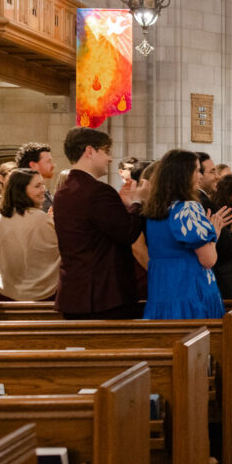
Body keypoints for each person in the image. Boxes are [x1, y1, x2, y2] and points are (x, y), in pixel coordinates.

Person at [52, 127, 147, 320]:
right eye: (107, 151)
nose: (110, 158)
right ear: (90, 151)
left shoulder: (63, 191)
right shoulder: (98, 192)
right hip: (103, 296)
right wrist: (137, 203)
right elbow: (127, 233)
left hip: (75, 294)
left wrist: (126, 207)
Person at [142, 149, 230, 319]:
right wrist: (215, 233)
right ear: (184, 175)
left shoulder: (154, 210)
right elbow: (208, 260)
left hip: (161, 290)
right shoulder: (187, 209)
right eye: (197, 171)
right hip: (189, 289)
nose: (200, 176)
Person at [0, 169, 60, 301]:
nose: (43, 189)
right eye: (37, 186)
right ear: (21, 190)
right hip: (41, 294)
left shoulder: (3, 217)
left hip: (9, 292)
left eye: (43, 184)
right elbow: (61, 251)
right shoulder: (40, 218)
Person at [15, 142, 57, 212]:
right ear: (33, 165)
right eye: (48, 161)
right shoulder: (26, 195)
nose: (53, 165)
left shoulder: (43, 191)